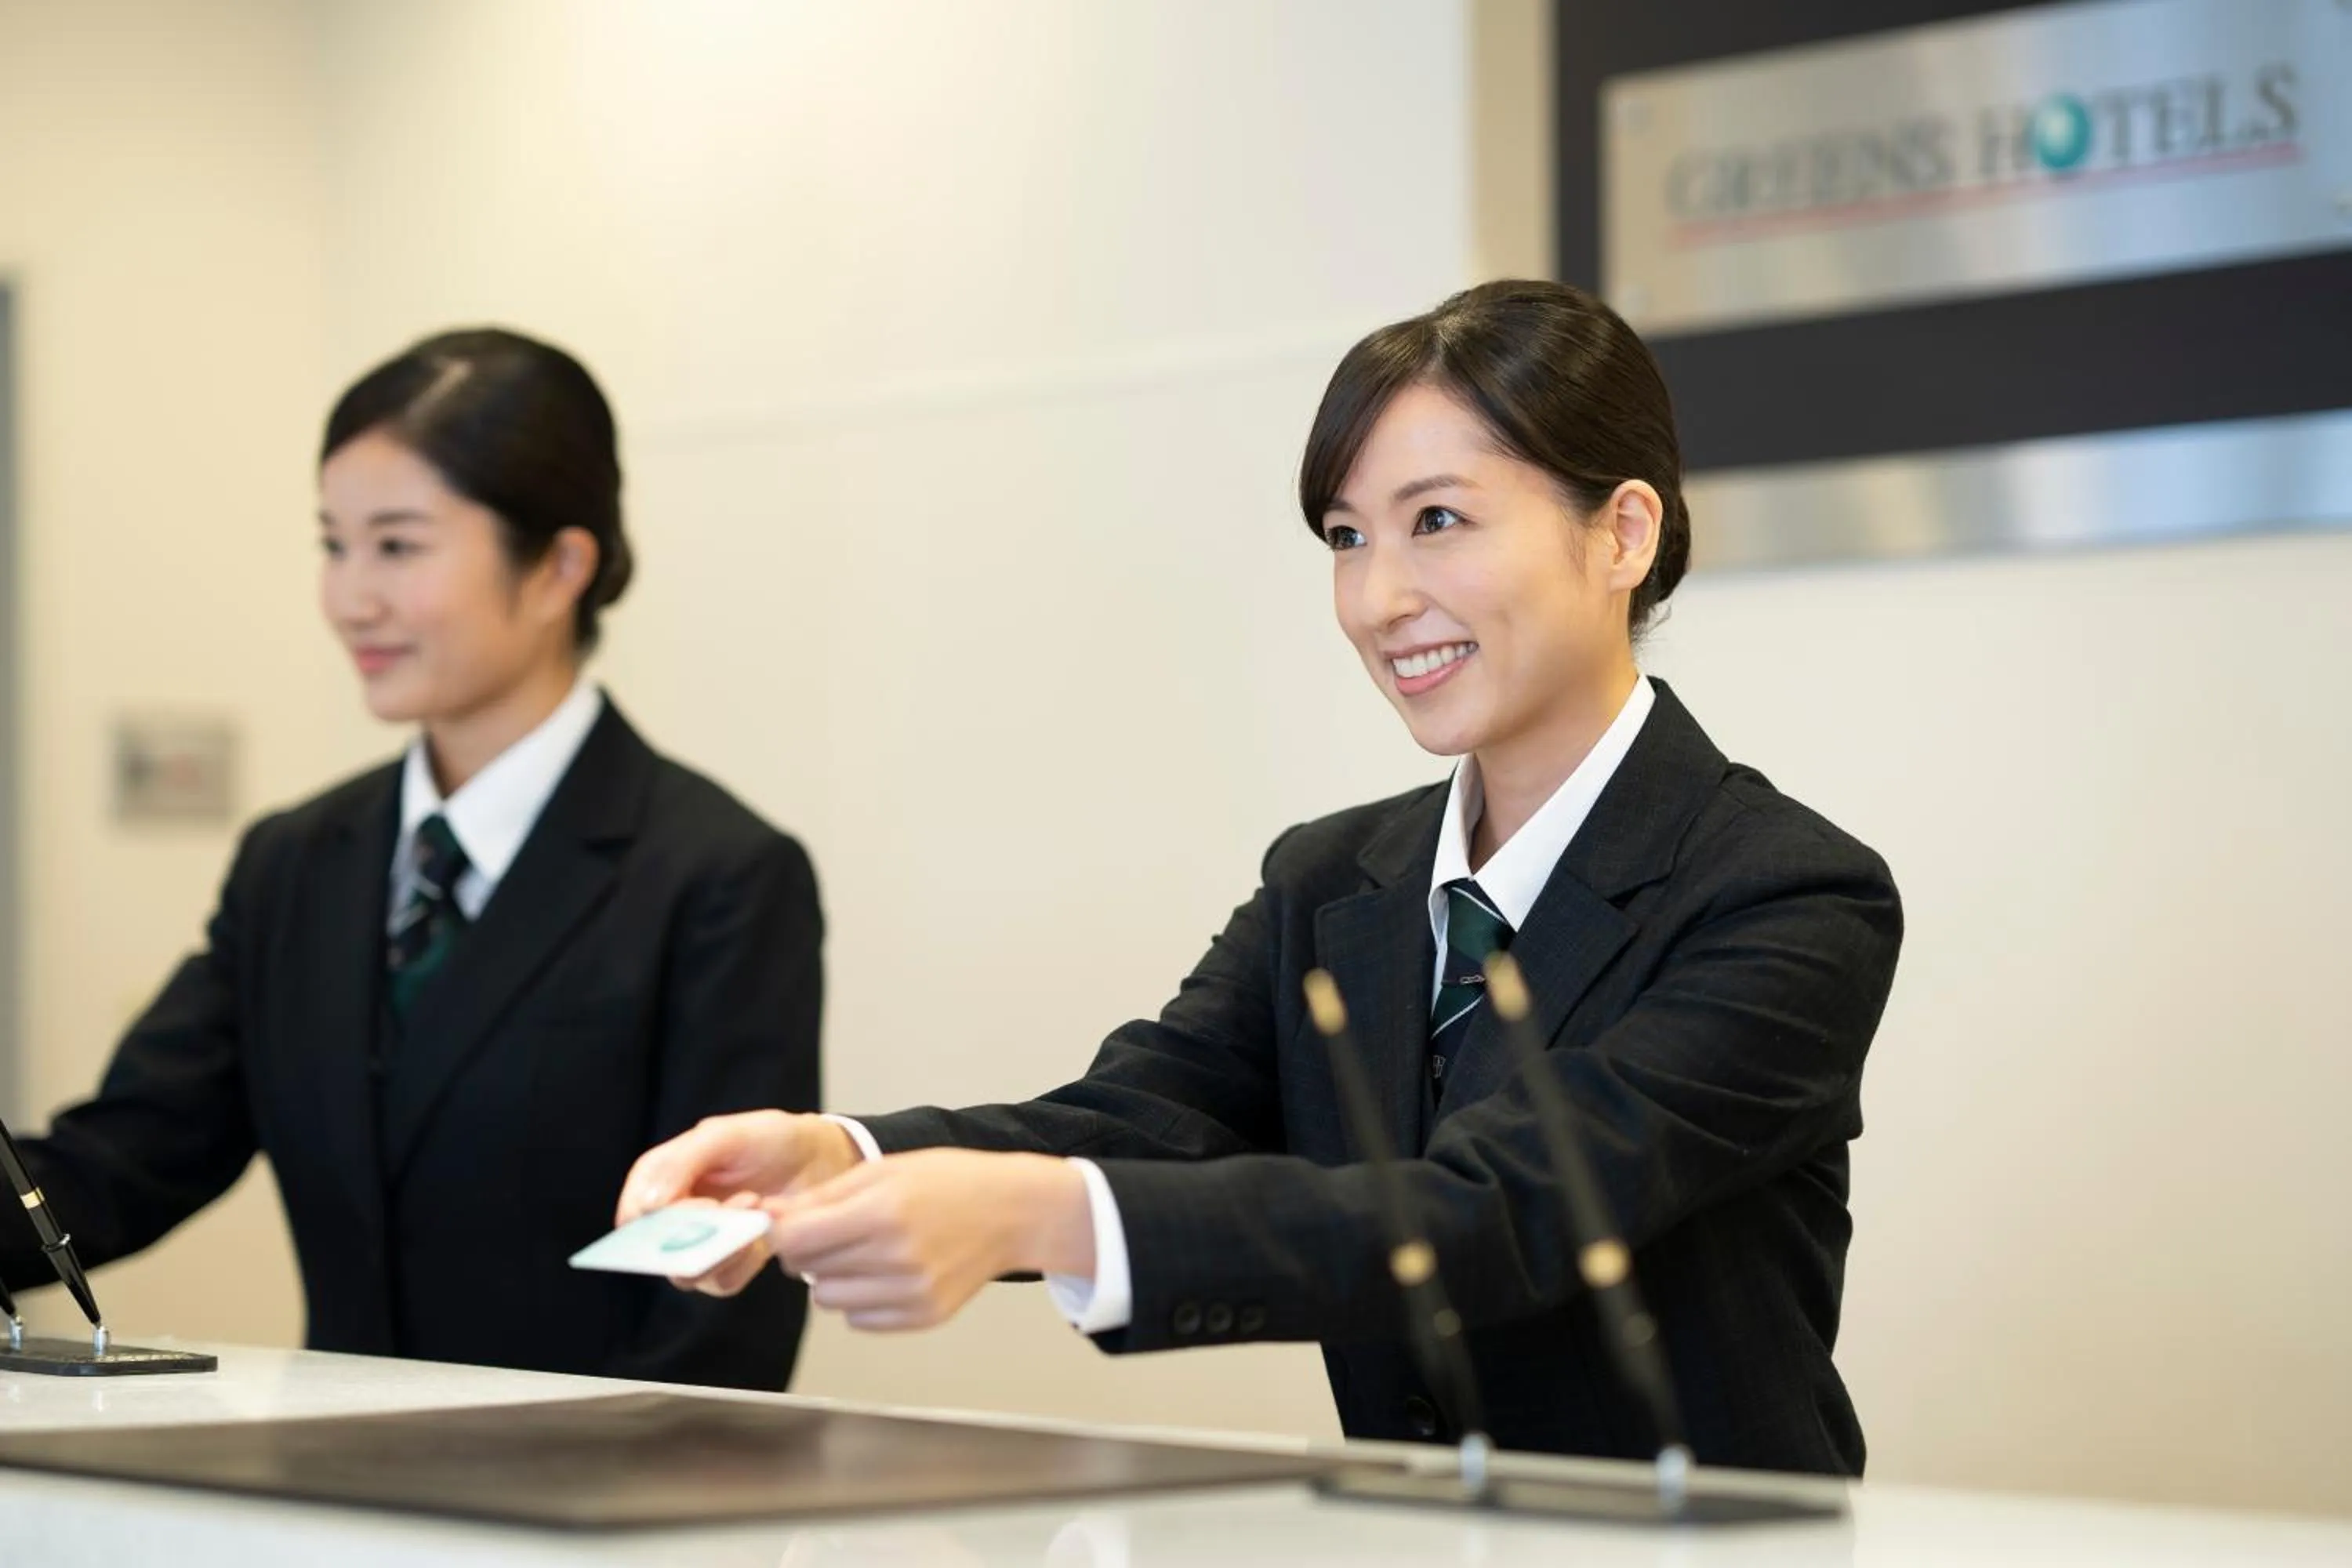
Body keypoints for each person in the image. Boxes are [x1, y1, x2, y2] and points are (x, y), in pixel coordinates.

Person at [621, 281, 1902, 1469]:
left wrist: (1033, 1216)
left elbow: (1495, 1210)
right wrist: (840, 1154)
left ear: (1623, 531)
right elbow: (1147, 1114)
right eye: (1348, 537)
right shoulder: (1334, 880)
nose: (1379, 597)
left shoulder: (1785, 894)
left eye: (1438, 521)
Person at [2, 328, 822, 1391]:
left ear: (560, 566)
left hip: (586, 1525)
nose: (351, 598)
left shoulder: (717, 875)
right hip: (337, 1500)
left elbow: (730, 1295)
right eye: (333, 545)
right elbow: (123, 1162)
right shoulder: (296, 864)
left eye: (398, 546)